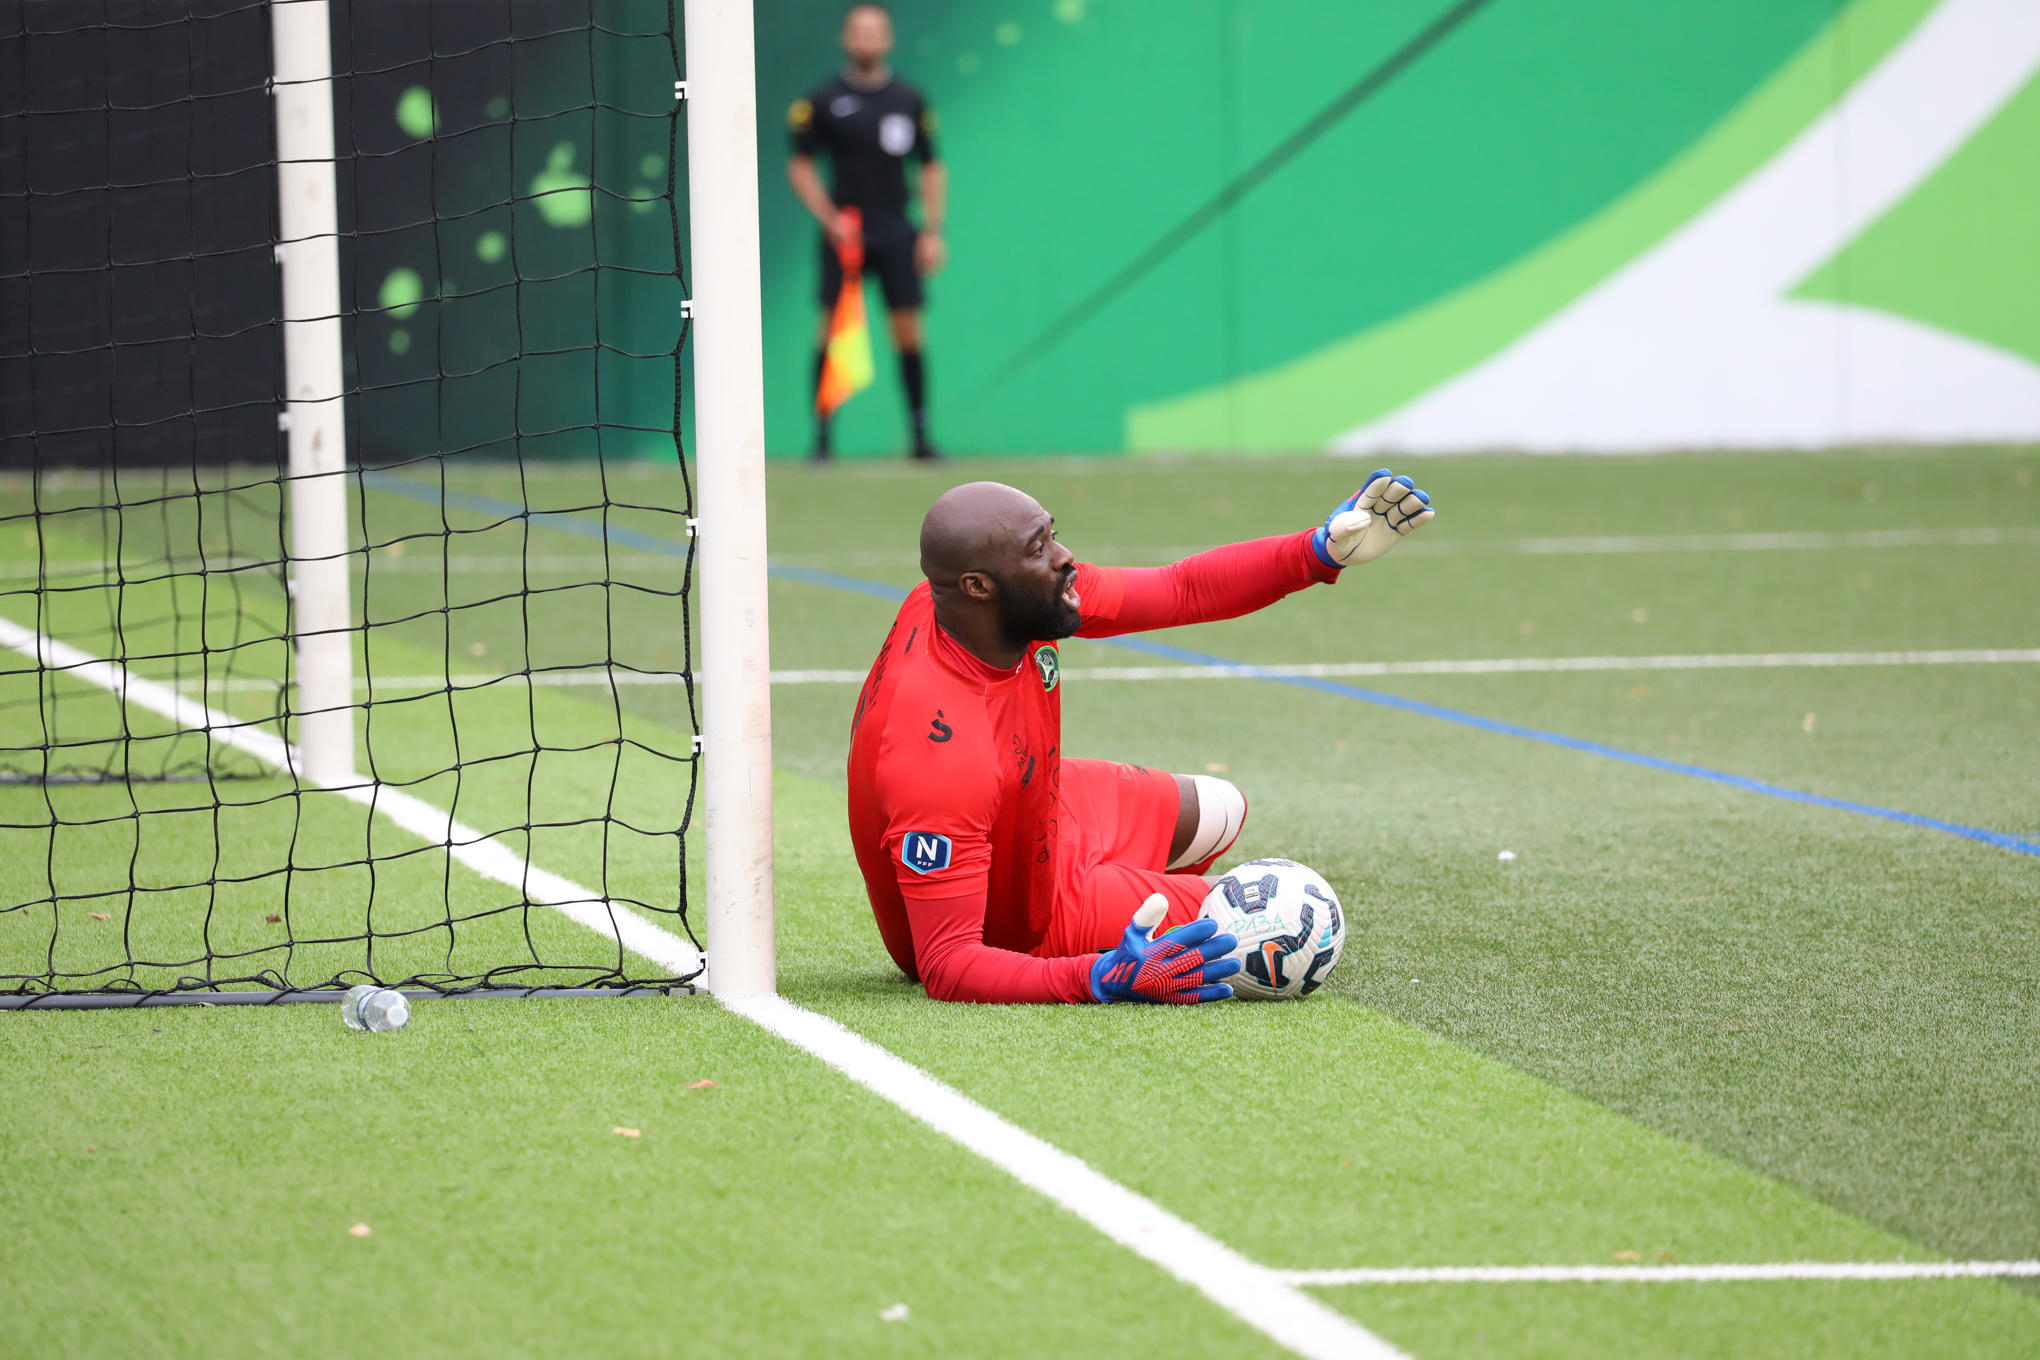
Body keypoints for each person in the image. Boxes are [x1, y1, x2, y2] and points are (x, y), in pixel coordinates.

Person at [846, 471, 1436, 1004]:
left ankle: (1135, 909)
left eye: (1053, 535)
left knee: (1222, 809)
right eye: (1039, 549)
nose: (1064, 557)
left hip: (1038, 805)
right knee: (1256, 929)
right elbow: (947, 965)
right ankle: (1119, 930)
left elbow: (1181, 589)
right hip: (1015, 915)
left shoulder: (986, 603)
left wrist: (1317, 551)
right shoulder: (940, 751)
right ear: (979, 586)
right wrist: (1097, 976)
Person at [788, 5, 945, 462]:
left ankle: (919, 436)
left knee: (908, 332)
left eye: (876, 32)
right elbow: (799, 165)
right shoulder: (821, 100)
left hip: (897, 228)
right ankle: (821, 439)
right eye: (859, 32)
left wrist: (932, 231)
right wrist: (829, 217)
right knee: (832, 332)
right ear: (845, 38)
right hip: (846, 232)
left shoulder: (910, 99)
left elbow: (932, 166)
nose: (867, 40)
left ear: (889, 39)